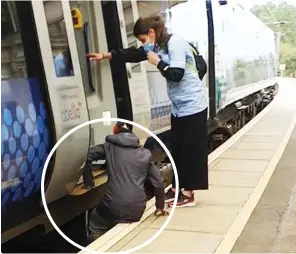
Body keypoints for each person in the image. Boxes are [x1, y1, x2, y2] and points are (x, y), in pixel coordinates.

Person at [87, 15, 209, 208]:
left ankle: (188, 194)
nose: (144, 44)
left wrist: (158, 63)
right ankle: (178, 189)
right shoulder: (156, 47)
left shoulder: (176, 44)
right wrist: (106, 56)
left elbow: (176, 75)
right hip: (179, 107)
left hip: (193, 105)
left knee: (191, 150)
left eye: (144, 39)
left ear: (151, 33)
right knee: (178, 148)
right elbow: (134, 54)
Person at [85, 122, 168, 241]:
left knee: (95, 222)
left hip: (112, 206)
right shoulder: (145, 153)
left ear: (115, 133)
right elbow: (158, 182)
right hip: (137, 209)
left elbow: (88, 156)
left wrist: (89, 182)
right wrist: (160, 206)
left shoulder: (109, 147)